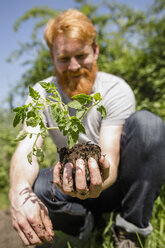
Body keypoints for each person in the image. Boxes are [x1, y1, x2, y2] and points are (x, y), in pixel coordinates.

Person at [9, 9, 165, 248]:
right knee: (38, 187)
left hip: (112, 185)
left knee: (149, 125)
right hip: (69, 185)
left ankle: (129, 231)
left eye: (81, 55)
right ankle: (84, 228)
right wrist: (18, 192)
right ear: (52, 57)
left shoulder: (115, 89)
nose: (73, 66)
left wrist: (97, 179)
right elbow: (26, 148)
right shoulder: (41, 94)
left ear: (95, 50)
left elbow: (110, 156)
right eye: (63, 58)